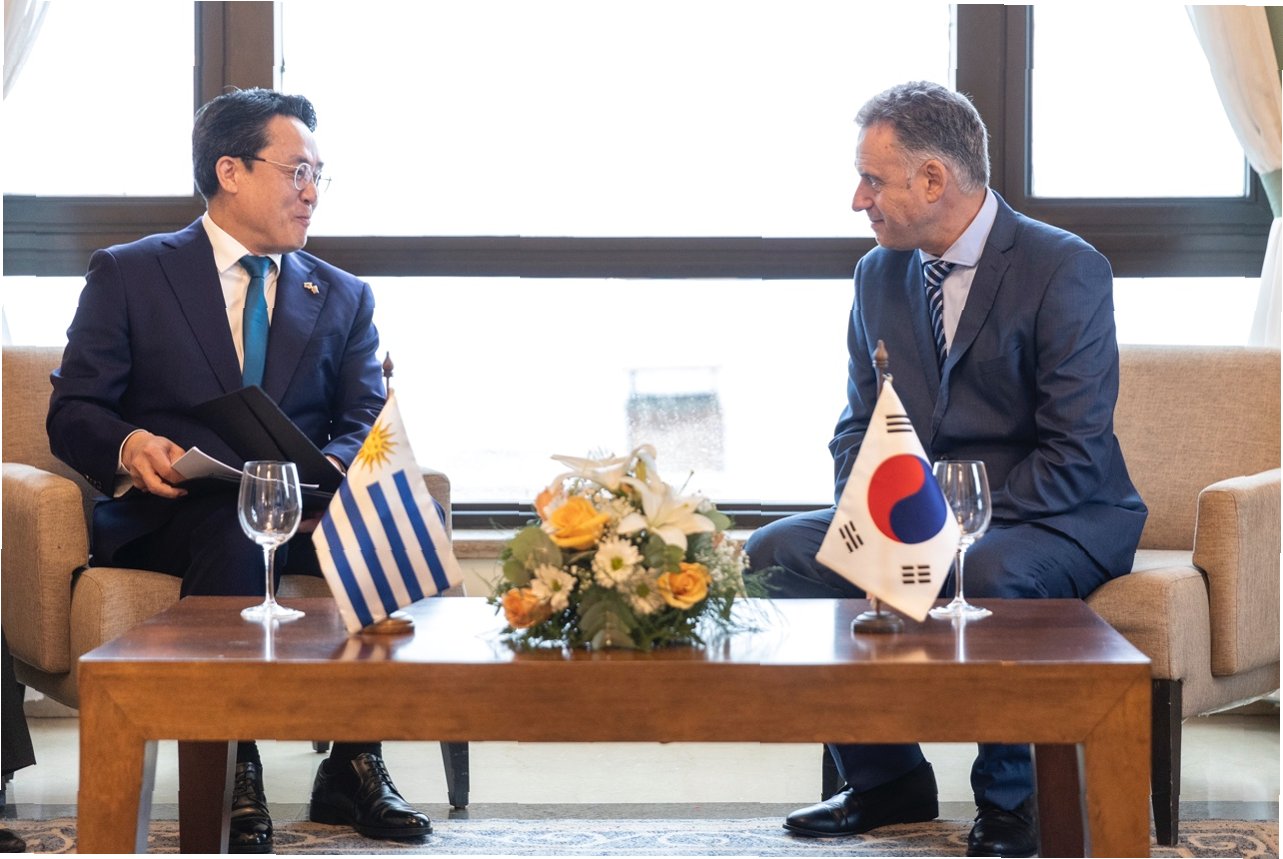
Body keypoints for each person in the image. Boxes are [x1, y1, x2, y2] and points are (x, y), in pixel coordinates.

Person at [745, 81, 1147, 858]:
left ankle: (1012, 803)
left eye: (872, 180)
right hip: (920, 512)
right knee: (775, 554)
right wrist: (869, 525)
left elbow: (1072, 455)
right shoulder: (877, 274)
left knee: (986, 568)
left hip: (1057, 516)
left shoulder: (1063, 268)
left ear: (932, 179)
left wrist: (938, 531)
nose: (856, 200)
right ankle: (886, 779)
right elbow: (859, 426)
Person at [47, 88, 431, 853]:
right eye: (297, 171)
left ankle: (354, 763)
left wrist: (330, 469)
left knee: (388, 523)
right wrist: (131, 444)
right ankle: (233, 764)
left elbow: (364, 415)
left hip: (307, 504)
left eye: (319, 174)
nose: (312, 192)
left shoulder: (343, 294)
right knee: (234, 527)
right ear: (230, 170)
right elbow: (74, 410)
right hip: (175, 508)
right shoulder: (131, 273)